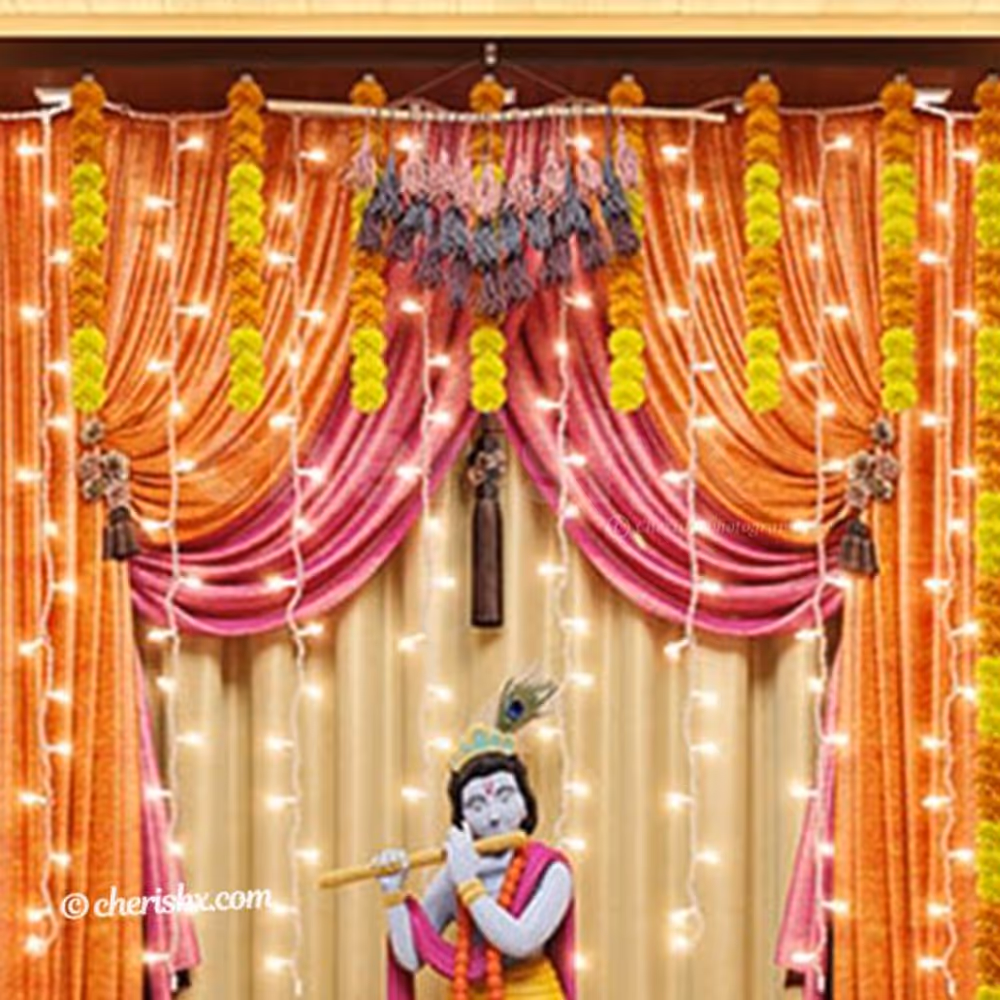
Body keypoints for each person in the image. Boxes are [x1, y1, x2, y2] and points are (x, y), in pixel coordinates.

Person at [377, 680, 576, 1000]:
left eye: (505, 796)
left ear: (525, 804)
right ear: (463, 821)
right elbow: (411, 958)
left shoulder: (552, 871)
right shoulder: (457, 870)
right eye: (477, 805)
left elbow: (520, 941)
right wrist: (393, 895)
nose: (494, 816)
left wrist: (468, 883)